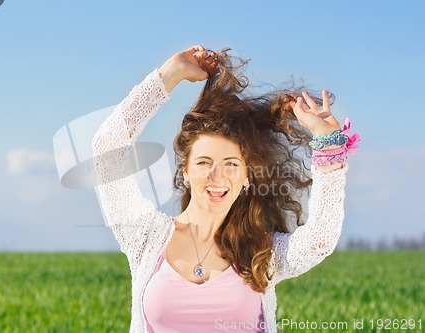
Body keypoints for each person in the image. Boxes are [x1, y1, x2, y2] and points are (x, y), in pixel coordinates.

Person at [92, 45, 360, 333]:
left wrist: (327, 143)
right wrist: (171, 74)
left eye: (231, 164)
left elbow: (319, 241)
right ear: (186, 172)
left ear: (246, 176)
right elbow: (108, 147)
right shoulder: (146, 237)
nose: (216, 176)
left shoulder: (261, 252)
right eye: (204, 162)